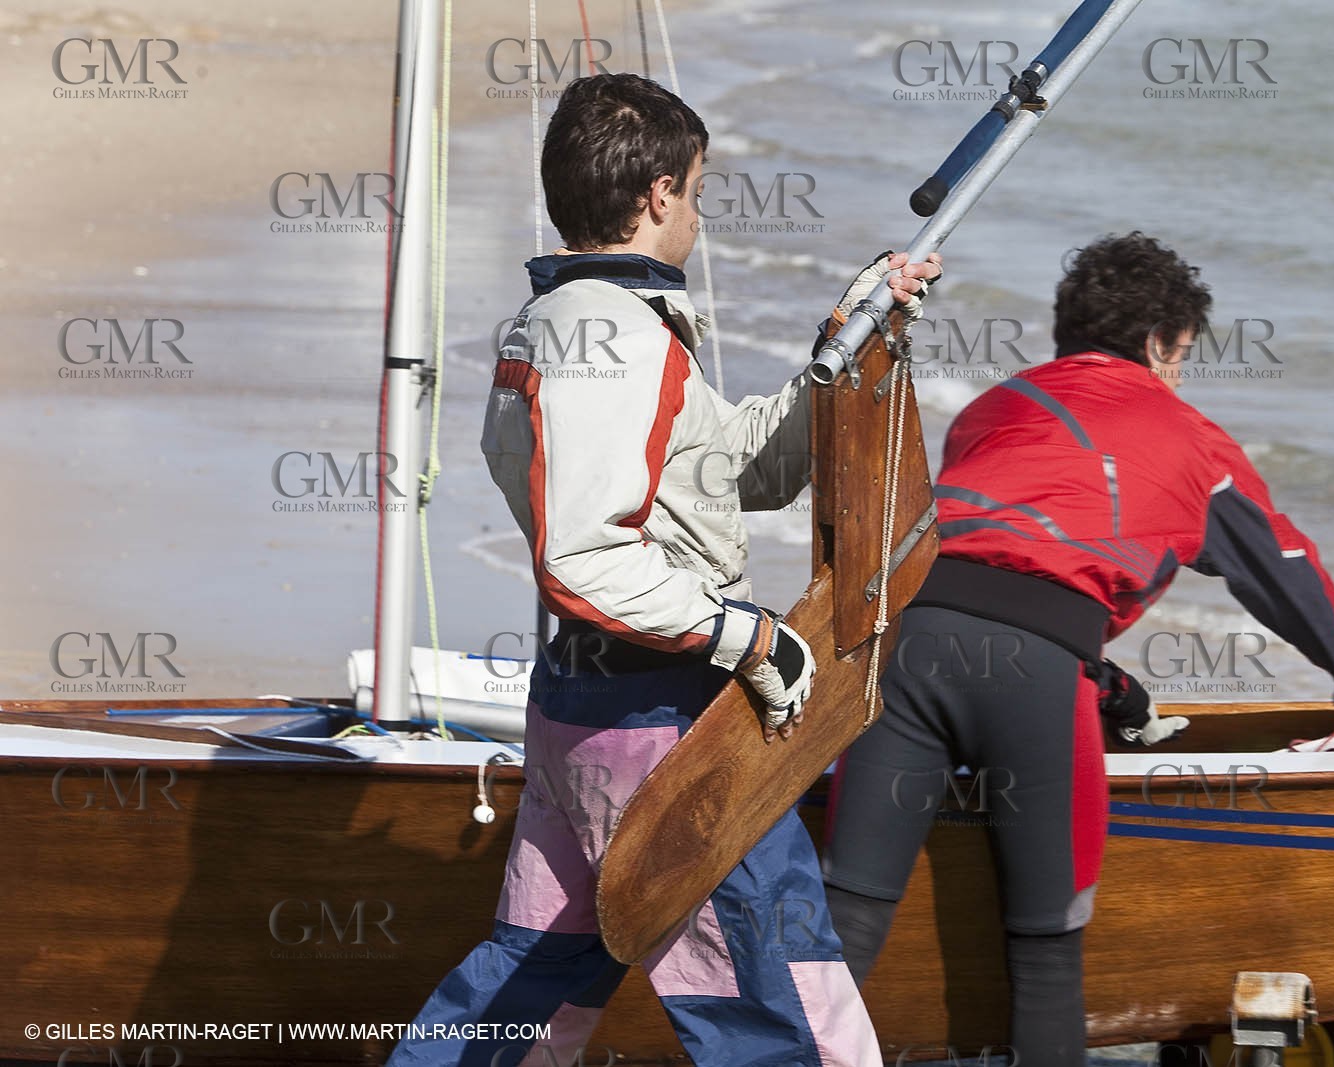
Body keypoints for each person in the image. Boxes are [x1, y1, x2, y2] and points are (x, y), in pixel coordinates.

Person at [385, 73, 941, 1067]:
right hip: (659, 714)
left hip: (583, 709)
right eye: (694, 189)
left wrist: (847, 342)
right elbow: (582, 556)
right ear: (656, 196)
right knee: (792, 1023)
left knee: (527, 993)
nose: (696, 211)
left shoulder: (568, 319)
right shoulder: (610, 337)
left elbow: (740, 471)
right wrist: (754, 637)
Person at [820, 232, 1334, 1067]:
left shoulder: (994, 408)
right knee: (1048, 956)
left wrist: (1105, 678)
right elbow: (1282, 569)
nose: (1179, 375)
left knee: (846, 921)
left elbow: (1002, 552)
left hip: (899, 647)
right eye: (1181, 357)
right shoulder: (1194, 439)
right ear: (1157, 345)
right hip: (1031, 677)